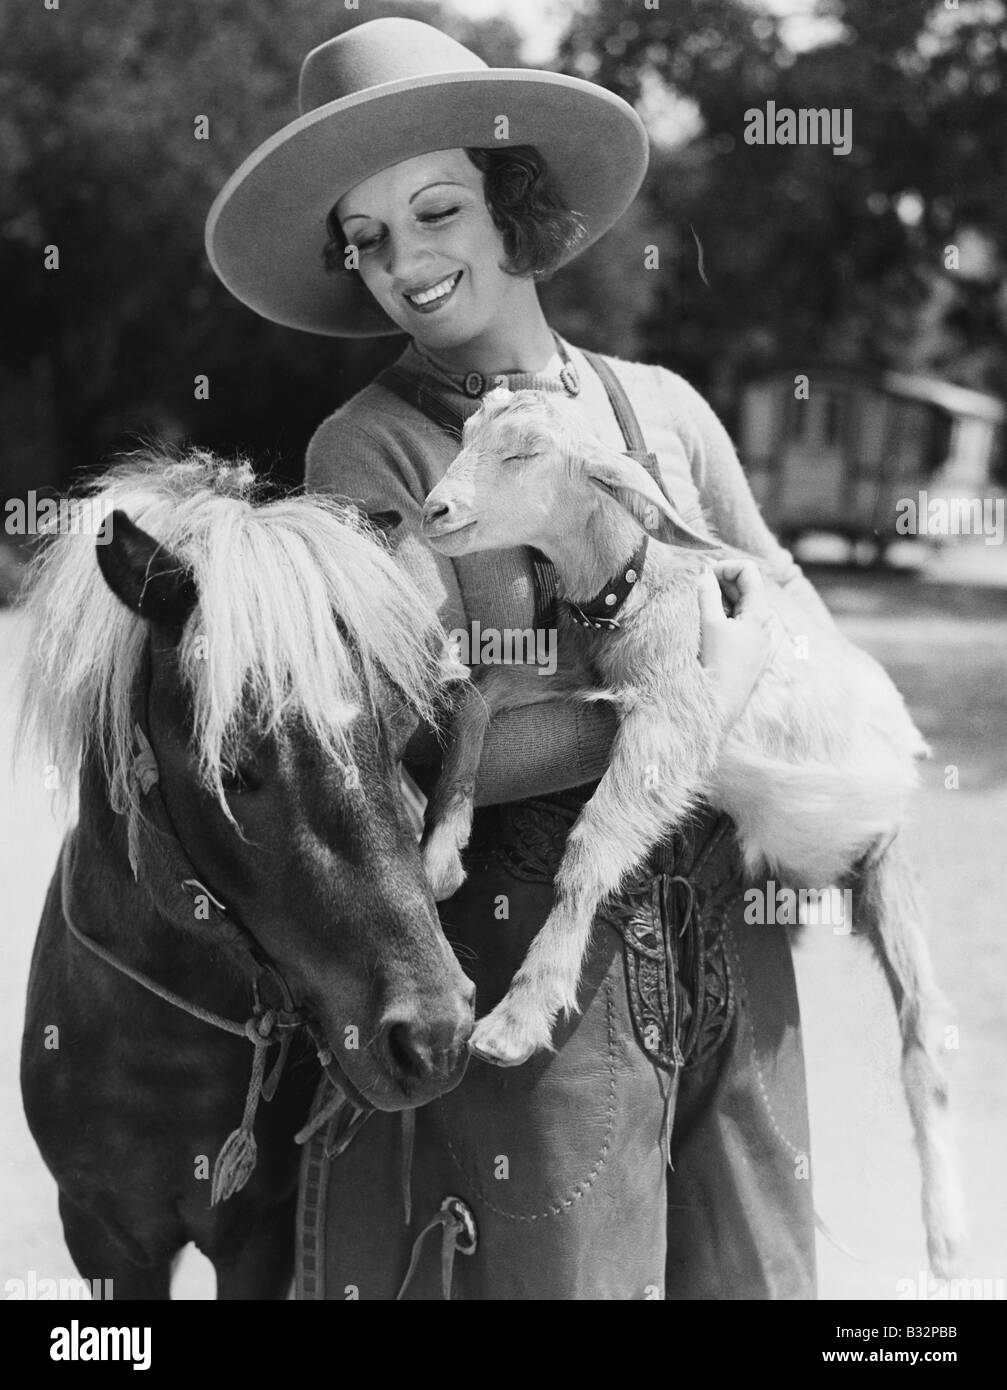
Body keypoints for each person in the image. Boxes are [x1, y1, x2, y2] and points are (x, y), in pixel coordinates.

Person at [206, 16, 831, 1299]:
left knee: (768, 1283)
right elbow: (423, 746)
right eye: (365, 241)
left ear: (510, 200)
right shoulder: (364, 455)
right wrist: (693, 676)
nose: (402, 262)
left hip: (731, 931)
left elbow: (787, 604)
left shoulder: (661, 407)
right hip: (530, 970)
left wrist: (730, 662)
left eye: (433, 209)